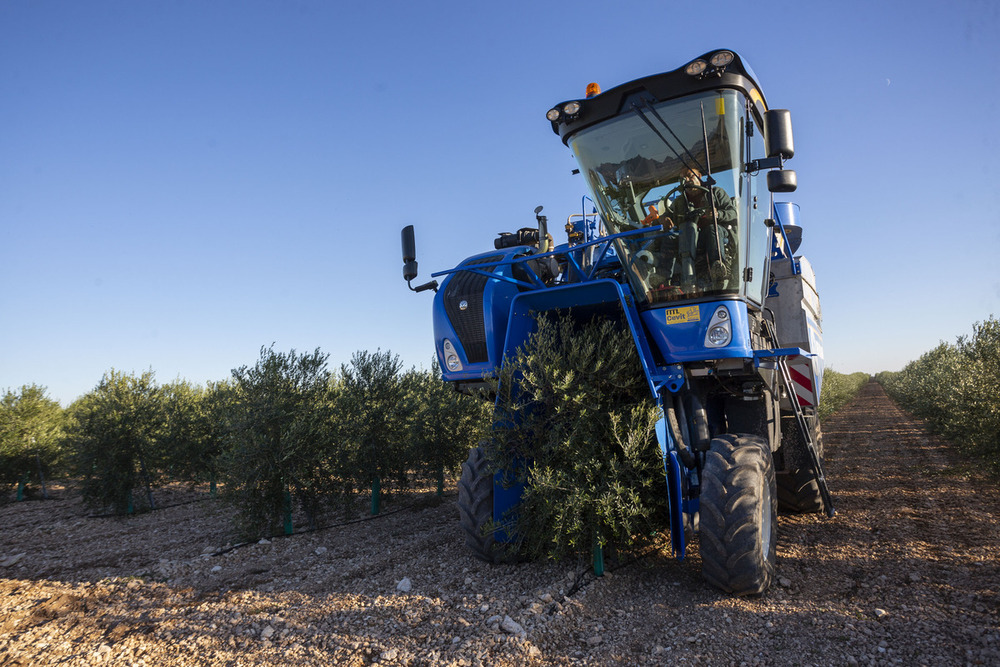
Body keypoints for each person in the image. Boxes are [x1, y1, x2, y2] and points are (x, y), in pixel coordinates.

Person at [650, 165, 737, 292]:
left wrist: (718, 214)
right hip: (690, 237)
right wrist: (663, 220)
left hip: (713, 234)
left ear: (699, 177)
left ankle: (718, 268)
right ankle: (662, 275)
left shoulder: (716, 193)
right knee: (669, 237)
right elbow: (664, 217)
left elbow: (732, 212)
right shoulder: (680, 201)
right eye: (683, 178)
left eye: (690, 176)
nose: (687, 180)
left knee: (712, 229)